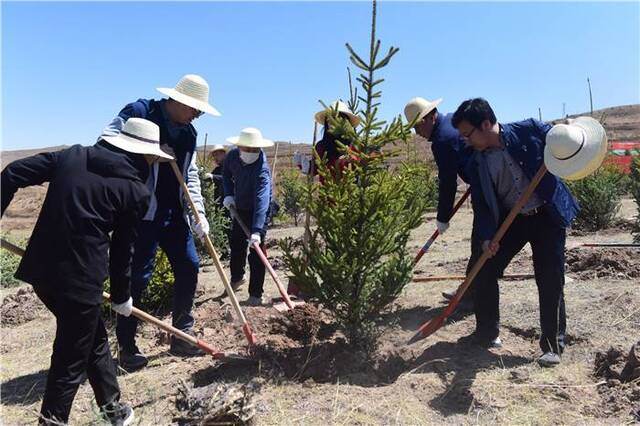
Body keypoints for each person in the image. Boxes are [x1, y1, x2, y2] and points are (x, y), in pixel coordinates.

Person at [0, 118, 172, 425]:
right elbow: (123, 251)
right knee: (68, 365)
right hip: (80, 284)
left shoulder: (73, 156)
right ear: (143, 155)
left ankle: (112, 408)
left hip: (41, 273)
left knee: (92, 337)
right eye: (152, 158)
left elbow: (12, 173)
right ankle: (52, 422)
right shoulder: (134, 191)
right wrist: (122, 297)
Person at [451, 97, 589, 366]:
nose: (466, 140)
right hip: (512, 219)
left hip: (547, 215)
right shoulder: (477, 162)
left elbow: (562, 138)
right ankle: (487, 333)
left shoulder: (530, 129)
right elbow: (481, 204)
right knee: (484, 270)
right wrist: (487, 237)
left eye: (468, 134)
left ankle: (552, 346)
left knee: (550, 278)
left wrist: (570, 129)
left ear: (487, 124)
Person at [101, 74, 220, 371]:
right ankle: (127, 346)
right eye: (195, 108)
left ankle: (182, 334)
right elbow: (105, 144)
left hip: (173, 214)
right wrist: (145, 151)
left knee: (189, 266)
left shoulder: (189, 134)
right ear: (178, 101)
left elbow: (189, 175)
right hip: (141, 214)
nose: (196, 115)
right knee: (137, 278)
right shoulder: (139, 113)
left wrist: (199, 216)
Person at [404, 97, 476, 313]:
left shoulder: (443, 140)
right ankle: (469, 291)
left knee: (482, 242)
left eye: (418, 126)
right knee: (480, 243)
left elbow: (447, 182)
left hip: (487, 186)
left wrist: (443, 216)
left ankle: (471, 296)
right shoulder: (453, 120)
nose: (417, 133)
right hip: (484, 180)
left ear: (431, 116)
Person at [222, 128, 273, 306]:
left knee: (257, 251)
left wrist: (257, 230)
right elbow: (226, 175)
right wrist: (228, 194)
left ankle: (255, 294)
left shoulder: (262, 170)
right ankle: (237, 278)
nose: (251, 153)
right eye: (247, 149)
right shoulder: (232, 157)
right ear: (239, 146)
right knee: (236, 242)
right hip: (240, 205)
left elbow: (262, 201)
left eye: (254, 150)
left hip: (260, 211)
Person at [294, 100, 361, 179]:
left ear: (345, 122)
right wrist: (305, 165)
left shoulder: (354, 145)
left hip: (352, 189)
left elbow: (362, 164)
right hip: (327, 190)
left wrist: (352, 160)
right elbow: (316, 168)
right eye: (330, 120)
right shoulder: (321, 146)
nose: (332, 123)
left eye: (338, 118)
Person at [205, 144, 227, 208]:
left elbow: (228, 179)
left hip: (228, 202)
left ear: (224, 154)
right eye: (214, 155)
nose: (215, 157)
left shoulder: (230, 166)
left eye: (217, 155)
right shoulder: (217, 169)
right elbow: (209, 177)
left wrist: (213, 177)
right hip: (218, 202)